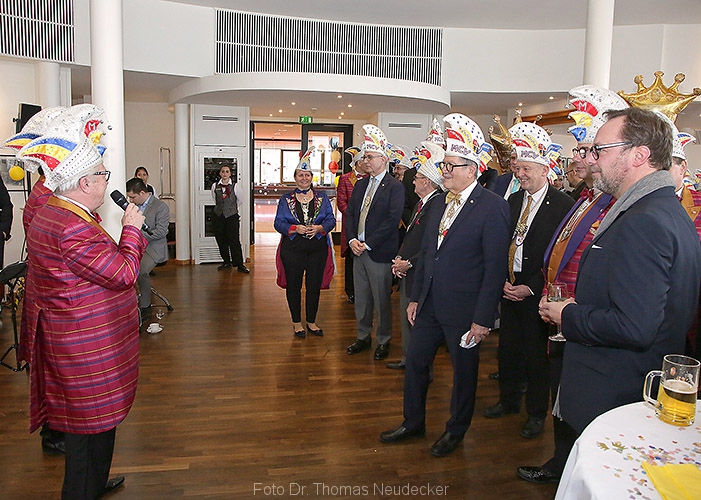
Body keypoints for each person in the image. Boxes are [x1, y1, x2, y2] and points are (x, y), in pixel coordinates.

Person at [540, 108, 701, 477]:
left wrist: (568, 314)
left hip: (614, 393)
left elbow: (635, 327)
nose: (592, 160)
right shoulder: (662, 209)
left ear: (639, 155)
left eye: (600, 150)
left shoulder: (643, 221)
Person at [15, 104, 147, 500]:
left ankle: (94, 483)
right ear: (85, 183)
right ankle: (82, 490)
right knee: (87, 434)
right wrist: (131, 230)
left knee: (94, 429)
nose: (106, 180)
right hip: (86, 346)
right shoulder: (72, 226)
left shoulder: (50, 210)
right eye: (102, 174)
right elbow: (124, 273)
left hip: (74, 339)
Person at [380, 113, 511, 457]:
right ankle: (413, 422)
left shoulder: (493, 208)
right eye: (445, 165)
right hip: (429, 305)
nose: (445, 171)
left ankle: (456, 430)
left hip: (466, 311)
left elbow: (495, 268)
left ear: (472, 170)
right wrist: (415, 298)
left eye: (451, 166)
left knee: (464, 374)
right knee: (415, 364)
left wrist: (483, 319)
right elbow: (428, 253)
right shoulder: (438, 202)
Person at [516, 85, 625, 485]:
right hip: (565, 319)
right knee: (562, 400)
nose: (577, 159)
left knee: (577, 406)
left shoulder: (613, 204)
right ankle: (562, 465)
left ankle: (575, 474)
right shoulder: (588, 198)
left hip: (585, 323)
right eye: (579, 150)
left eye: (586, 150)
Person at [483, 121, 574, 441]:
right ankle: (508, 400)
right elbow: (499, 243)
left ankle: (536, 413)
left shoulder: (563, 206)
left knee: (536, 356)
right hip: (509, 286)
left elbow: (559, 255)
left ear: (545, 170)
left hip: (538, 290)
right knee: (508, 350)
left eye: (526, 169)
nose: (519, 174)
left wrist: (531, 286)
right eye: (517, 168)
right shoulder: (511, 201)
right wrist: (503, 281)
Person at [345, 124, 405, 361]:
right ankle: (363, 337)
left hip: (378, 252)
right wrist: (352, 239)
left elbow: (392, 220)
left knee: (381, 300)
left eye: (370, 157)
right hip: (357, 250)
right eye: (364, 157)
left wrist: (367, 243)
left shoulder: (395, 187)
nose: (365, 161)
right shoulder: (361, 184)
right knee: (361, 299)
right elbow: (350, 213)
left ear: (384, 159)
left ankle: (383, 340)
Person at [386, 141, 445, 370]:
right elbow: (410, 237)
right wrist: (400, 258)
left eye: (417, 178)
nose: (412, 181)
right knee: (407, 318)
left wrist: (409, 263)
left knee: (416, 321)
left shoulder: (436, 206)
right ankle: (409, 360)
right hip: (409, 271)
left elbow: (433, 245)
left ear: (427, 182)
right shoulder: (422, 204)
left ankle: (418, 367)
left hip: (418, 271)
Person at [274, 147, 336, 338]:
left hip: (317, 248)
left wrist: (319, 228)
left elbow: (331, 220)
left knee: (313, 285)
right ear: (295, 177)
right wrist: (295, 228)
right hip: (293, 248)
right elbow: (278, 222)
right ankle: (296, 322)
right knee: (293, 285)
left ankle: (311, 321)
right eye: (300, 175)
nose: (304, 178)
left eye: (307, 175)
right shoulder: (286, 199)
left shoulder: (322, 198)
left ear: (311, 177)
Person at [667, 121, 701, 361]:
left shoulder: (698, 204)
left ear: (683, 167)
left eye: (667, 166)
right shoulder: (631, 205)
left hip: (691, 314)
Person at [126, 177, 171, 323]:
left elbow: (161, 232)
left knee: (140, 270)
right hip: (136, 246)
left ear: (142, 193)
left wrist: (136, 235)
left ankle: (145, 306)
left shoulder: (161, 207)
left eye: (133, 197)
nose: (130, 200)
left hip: (153, 248)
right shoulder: (133, 206)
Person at [337, 145, 367, 304]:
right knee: (350, 259)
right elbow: (341, 202)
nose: (366, 162)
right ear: (358, 163)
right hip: (350, 225)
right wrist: (355, 216)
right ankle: (351, 291)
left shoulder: (370, 178)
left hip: (367, 226)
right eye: (364, 159)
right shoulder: (345, 178)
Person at [211, 164, 249, 273]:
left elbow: (240, 201)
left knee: (234, 241)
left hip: (232, 217)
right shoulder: (215, 186)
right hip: (218, 217)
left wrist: (230, 209)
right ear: (220, 173)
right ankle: (226, 262)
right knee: (221, 240)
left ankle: (239, 264)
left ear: (230, 174)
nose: (225, 173)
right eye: (223, 171)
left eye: (227, 171)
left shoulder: (236, 186)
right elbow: (215, 199)